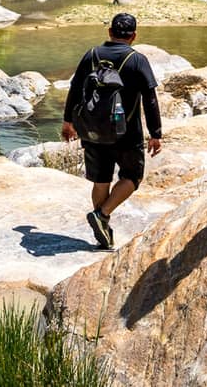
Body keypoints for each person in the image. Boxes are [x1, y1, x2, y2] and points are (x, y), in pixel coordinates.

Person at [61, 13, 163, 250]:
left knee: (101, 179)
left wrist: (68, 122)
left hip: (93, 130)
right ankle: (103, 215)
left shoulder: (92, 55)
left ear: (109, 32)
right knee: (133, 177)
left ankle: (102, 228)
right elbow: (150, 99)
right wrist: (155, 133)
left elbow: (75, 88)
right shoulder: (137, 60)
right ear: (134, 36)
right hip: (127, 133)